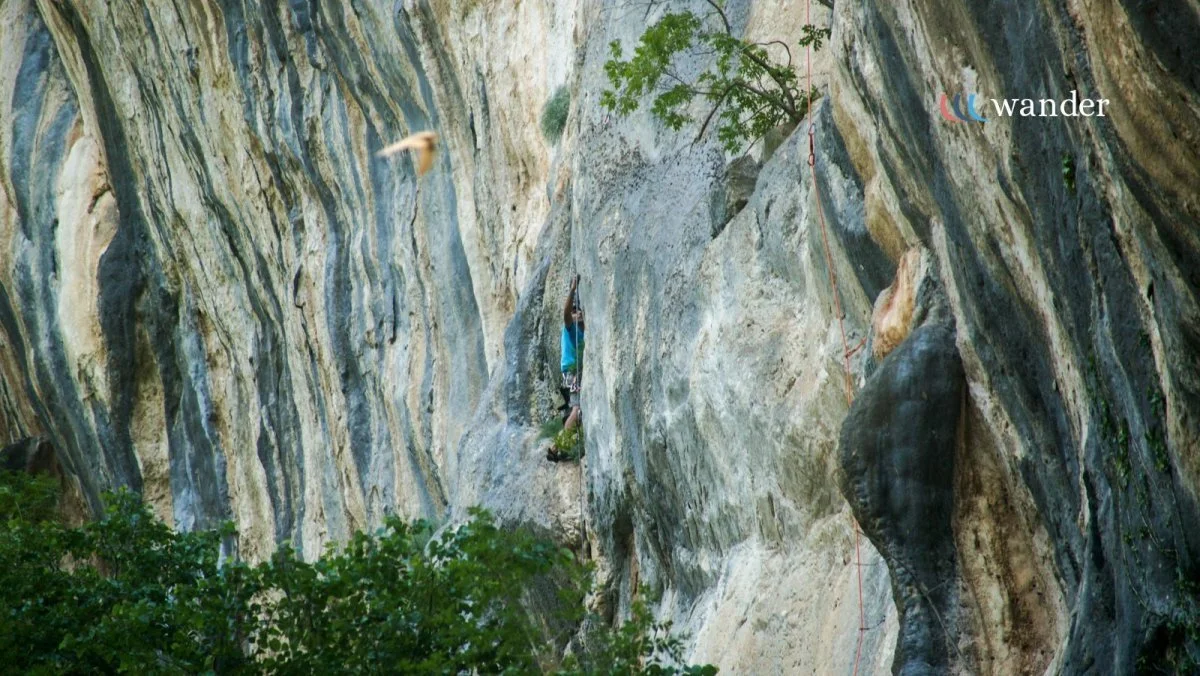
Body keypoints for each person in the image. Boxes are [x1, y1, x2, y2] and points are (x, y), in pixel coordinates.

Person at [560, 275, 585, 433]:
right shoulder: (570, 328)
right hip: (571, 372)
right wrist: (572, 290)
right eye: (574, 312)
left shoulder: (583, 332)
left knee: (578, 410)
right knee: (577, 410)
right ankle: (558, 445)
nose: (578, 314)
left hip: (574, 371)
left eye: (579, 311)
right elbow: (566, 314)